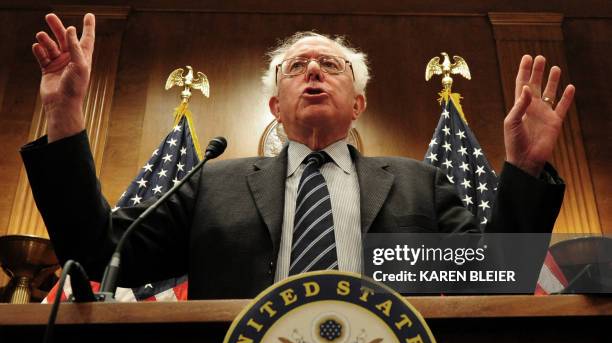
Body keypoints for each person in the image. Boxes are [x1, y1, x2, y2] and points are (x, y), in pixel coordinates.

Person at [21, 13, 571, 299]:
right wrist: (65, 117)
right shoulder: (212, 182)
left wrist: (523, 169)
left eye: (331, 66)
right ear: (274, 105)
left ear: (357, 104)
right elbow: (98, 254)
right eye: (297, 67)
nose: (312, 70)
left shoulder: (417, 183)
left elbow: (498, 274)